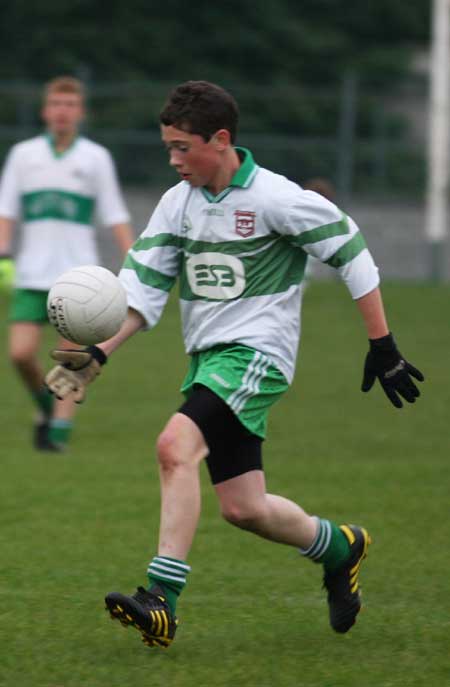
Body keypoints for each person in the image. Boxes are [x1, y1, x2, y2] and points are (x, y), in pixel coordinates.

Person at [45, 80, 424, 649]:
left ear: (220, 140)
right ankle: (341, 547)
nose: (173, 160)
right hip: (208, 363)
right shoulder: (178, 203)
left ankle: (161, 600)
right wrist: (97, 353)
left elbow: (350, 248)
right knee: (244, 509)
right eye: (167, 147)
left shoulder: (275, 198)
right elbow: (142, 288)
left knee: (175, 446)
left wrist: (383, 344)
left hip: (256, 358)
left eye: (182, 147)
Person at [0, 76, 134, 451]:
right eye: (57, 104)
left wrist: (134, 261)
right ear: (46, 111)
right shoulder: (24, 155)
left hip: (78, 277)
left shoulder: (95, 158)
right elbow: (6, 210)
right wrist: (3, 249)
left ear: (80, 112)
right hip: (30, 273)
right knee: (20, 353)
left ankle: (57, 433)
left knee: (72, 358)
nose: (63, 111)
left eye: (70, 105)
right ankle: (45, 403)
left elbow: (115, 213)